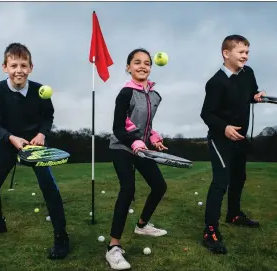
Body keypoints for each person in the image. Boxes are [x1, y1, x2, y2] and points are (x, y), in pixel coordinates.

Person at [0, 42, 70, 260]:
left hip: (35, 147)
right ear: (5, 67)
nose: (19, 70)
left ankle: (62, 238)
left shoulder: (40, 91)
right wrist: (11, 138)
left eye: (23, 65)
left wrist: (42, 134)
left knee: (49, 187)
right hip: (8, 143)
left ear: (31, 68)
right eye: (13, 65)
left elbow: (48, 117)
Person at [200, 35, 266, 254]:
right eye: (241, 52)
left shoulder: (248, 74)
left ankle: (234, 214)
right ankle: (210, 230)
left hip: (240, 139)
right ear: (226, 54)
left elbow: (250, 93)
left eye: (247, 52)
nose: (245, 56)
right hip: (220, 139)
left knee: (240, 177)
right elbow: (206, 113)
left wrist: (257, 95)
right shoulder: (215, 82)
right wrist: (224, 128)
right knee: (221, 181)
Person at [106, 48, 169, 270]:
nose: (142, 66)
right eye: (137, 62)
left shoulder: (155, 95)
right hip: (121, 146)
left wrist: (154, 138)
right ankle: (113, 247)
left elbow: (147, 126)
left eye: (147, 63)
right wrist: (135, 142)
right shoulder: (125, 94)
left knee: (160, 186)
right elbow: (118, 127)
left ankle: (142, 225)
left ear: (151, 67)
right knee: (128, 189)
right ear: (128, 67)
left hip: (141, 148)